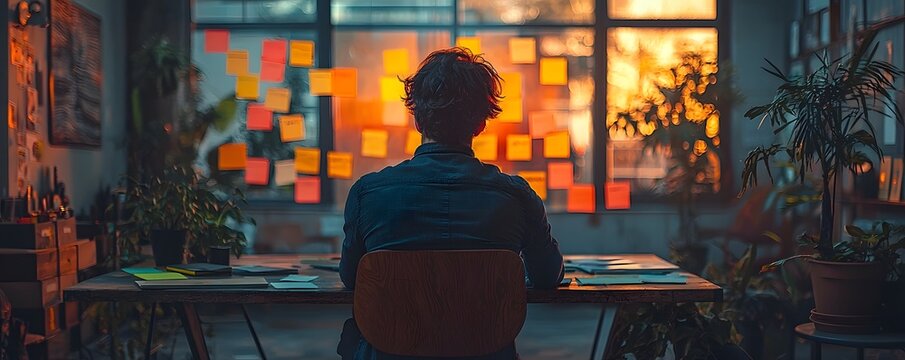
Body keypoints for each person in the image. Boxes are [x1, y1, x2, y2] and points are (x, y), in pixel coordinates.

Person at [338, 47, 564, 360]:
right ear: (480, 125)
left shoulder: (368, 193)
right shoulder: (516, 196)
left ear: (417, 120)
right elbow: (547, 276)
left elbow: (352, 279)